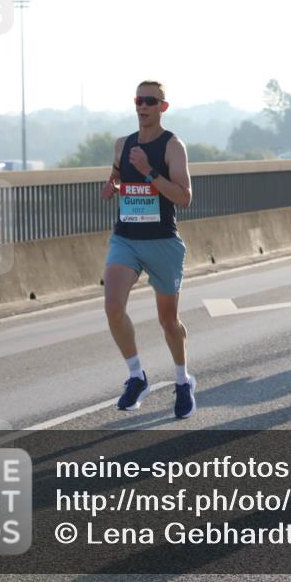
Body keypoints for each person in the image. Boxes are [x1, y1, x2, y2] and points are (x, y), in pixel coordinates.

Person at [101, 80, 195, 419]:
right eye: (139, 100)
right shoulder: (122, 144)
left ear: (163, 107)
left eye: (150, 101)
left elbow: (184, 198)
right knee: (112, 306)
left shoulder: (173, 146)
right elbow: (116, 175)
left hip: (162, 242)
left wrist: (149, 171)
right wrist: (111, 185)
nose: (143, 106)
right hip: (126, 238)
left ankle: (182, 381)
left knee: (168, 322)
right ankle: (136, 376)